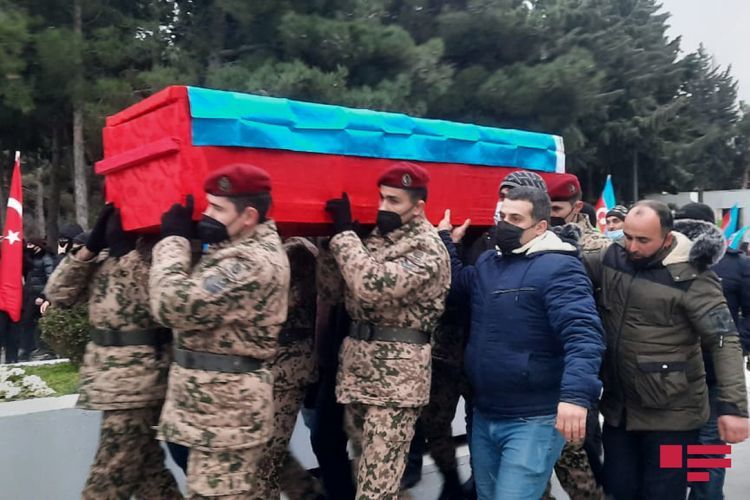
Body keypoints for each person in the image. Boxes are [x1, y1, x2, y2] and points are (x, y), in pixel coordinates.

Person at [439, 186, 605, 500]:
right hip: (485, 412)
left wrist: (575, 396)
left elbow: (583, 335)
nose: (505, 224)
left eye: (516, 219)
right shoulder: (490, 263)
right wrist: (448, 242)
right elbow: (457, 284)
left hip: (533, 418)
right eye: (502, 216)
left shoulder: (560, 268)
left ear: (540, 226)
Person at [585, 200, 749, 500]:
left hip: (675, 414)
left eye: (643, 240)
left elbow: (725, 339)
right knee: (618, 490)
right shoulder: (612, 257)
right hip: (620, 412)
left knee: (676, 484)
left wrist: (734, 407)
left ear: (667, 236)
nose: (632, 247)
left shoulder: (696, 275)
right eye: (628, 237)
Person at [149, 163, 290, 499]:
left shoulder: (253, 261)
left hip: (226, 416)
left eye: (217, 208)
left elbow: (173, 304)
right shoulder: (229, 248)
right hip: (205, 408)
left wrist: (172, 242)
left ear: (249, 216)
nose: (206, 215)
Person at [323, 161, 451, 499]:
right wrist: (332, 243)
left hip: (397, 382)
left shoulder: (427, 248)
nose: (383, 206)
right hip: (358, 373)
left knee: (376, 487)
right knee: (369, 478)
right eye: (381, 198)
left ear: (418, 206)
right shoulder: (374, 240)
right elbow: (333, 290)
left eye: (394, 200)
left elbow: (371, 284)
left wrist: (344, 237)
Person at [43, 206, 180, 499]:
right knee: (149, 476)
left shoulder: (165, 250)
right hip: (110, 382)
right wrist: (88, 250)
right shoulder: (101, 257)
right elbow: (57, 293)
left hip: (140, 382)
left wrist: (126, 255)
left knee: (108, 477)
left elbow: (161, 305)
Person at [673, 202, 750, 500]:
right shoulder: (664, 261)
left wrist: (738, 345)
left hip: (715, 372)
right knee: (681, 447)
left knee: (708, 448)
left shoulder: (737, 264)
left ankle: (704, 495)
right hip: (674, 372)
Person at [546, 174, 609, 499]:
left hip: (580, 362)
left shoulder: (600, 248)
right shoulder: (532, 241)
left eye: (557, 208)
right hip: (540, 363)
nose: (551, 214)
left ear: (576, 207)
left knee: (585, 449)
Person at [259, 236, 324, 499]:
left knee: (267, 459)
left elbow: (285, 301)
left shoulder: (297, 251)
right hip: (273, 368)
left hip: (287, 369)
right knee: (267, 455)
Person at [21, 236, 55, 360]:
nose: (28, 247)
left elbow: (50, 278)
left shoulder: (46, 259)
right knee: (28, 322)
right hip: (31, 296)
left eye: (31, 245)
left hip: (40, 297)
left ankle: (45, 349)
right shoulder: (31, 259)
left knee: (39, 323)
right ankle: (29, 349)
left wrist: (43, 296)